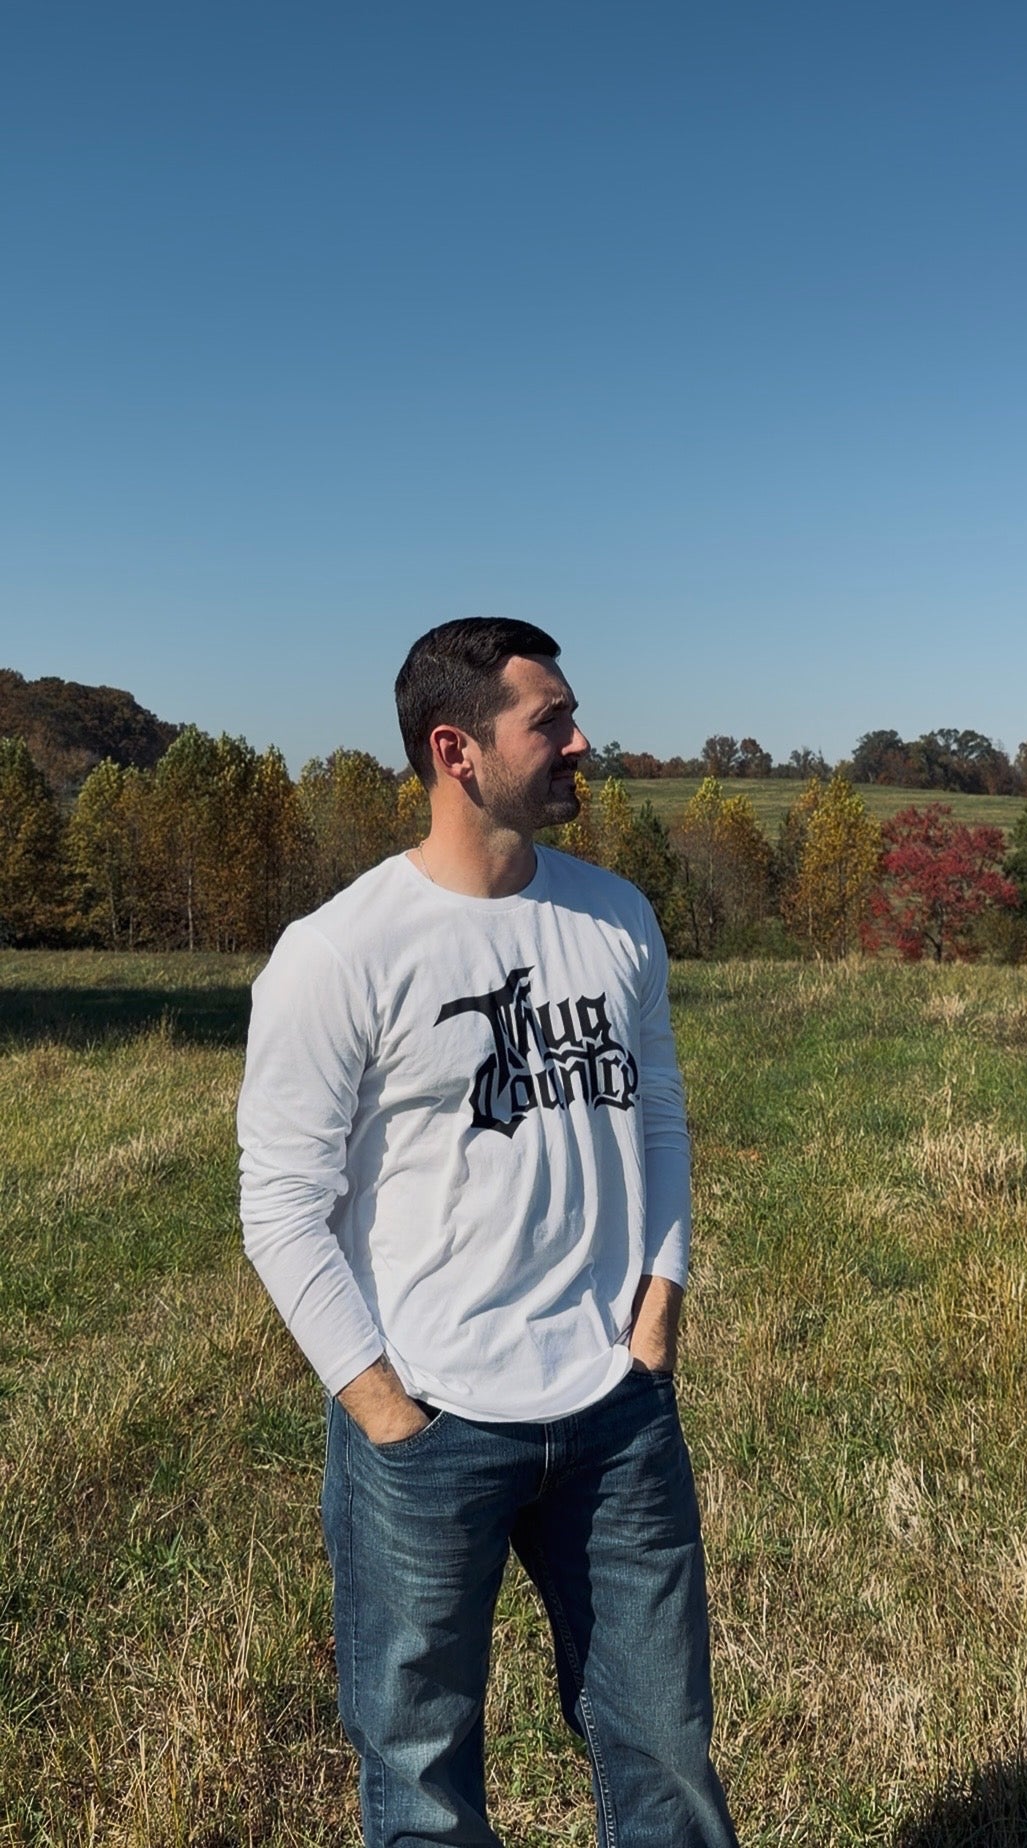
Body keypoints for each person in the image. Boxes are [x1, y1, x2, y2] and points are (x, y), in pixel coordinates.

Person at [237, 618, 738, 1848]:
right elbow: (280, 1204)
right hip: (433, 1425)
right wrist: (383, 1411)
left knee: (666, 1755)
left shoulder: (616, 918)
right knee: (421, 1779)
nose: (582, 742)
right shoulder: (339, 953)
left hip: (616, 1415)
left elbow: (660, 1116)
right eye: (550, 720)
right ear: (456, 750)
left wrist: (658, 1304)